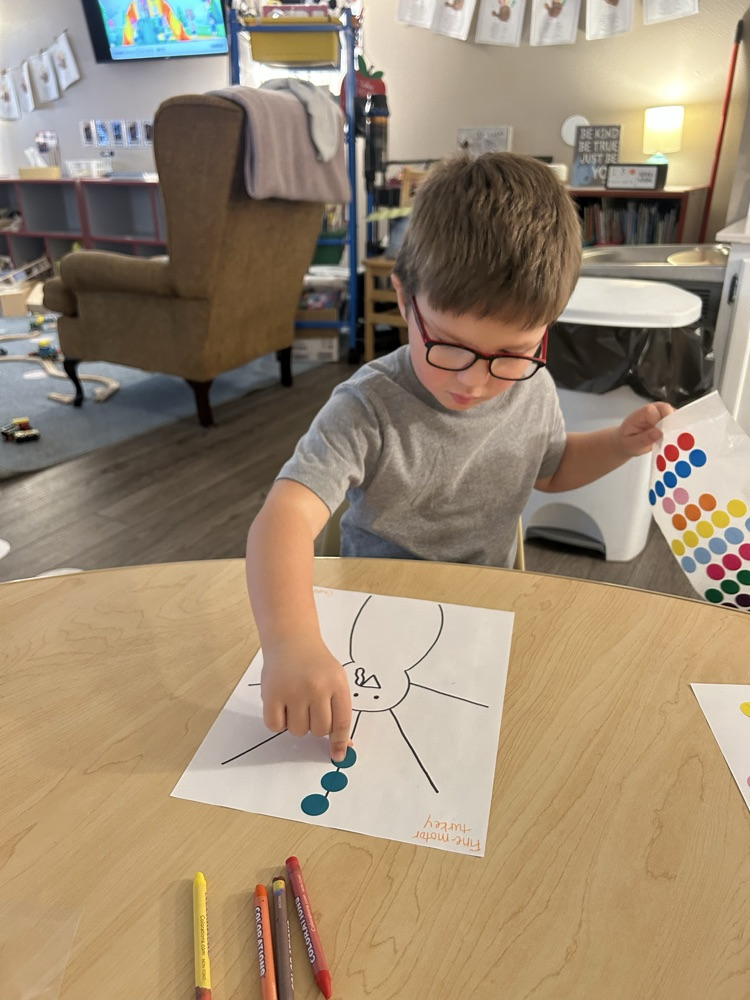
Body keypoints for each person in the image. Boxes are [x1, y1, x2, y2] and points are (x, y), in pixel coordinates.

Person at [246, 152, 672, 763]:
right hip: (378, 615)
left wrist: (617, 445)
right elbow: (285, 518)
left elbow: (550, 469)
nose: (475, 381)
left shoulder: (532, 388)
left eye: (513, 353)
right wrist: (290, 642)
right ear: (404, 298)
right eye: (449, 346)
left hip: (485, 609)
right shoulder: (366, 406)